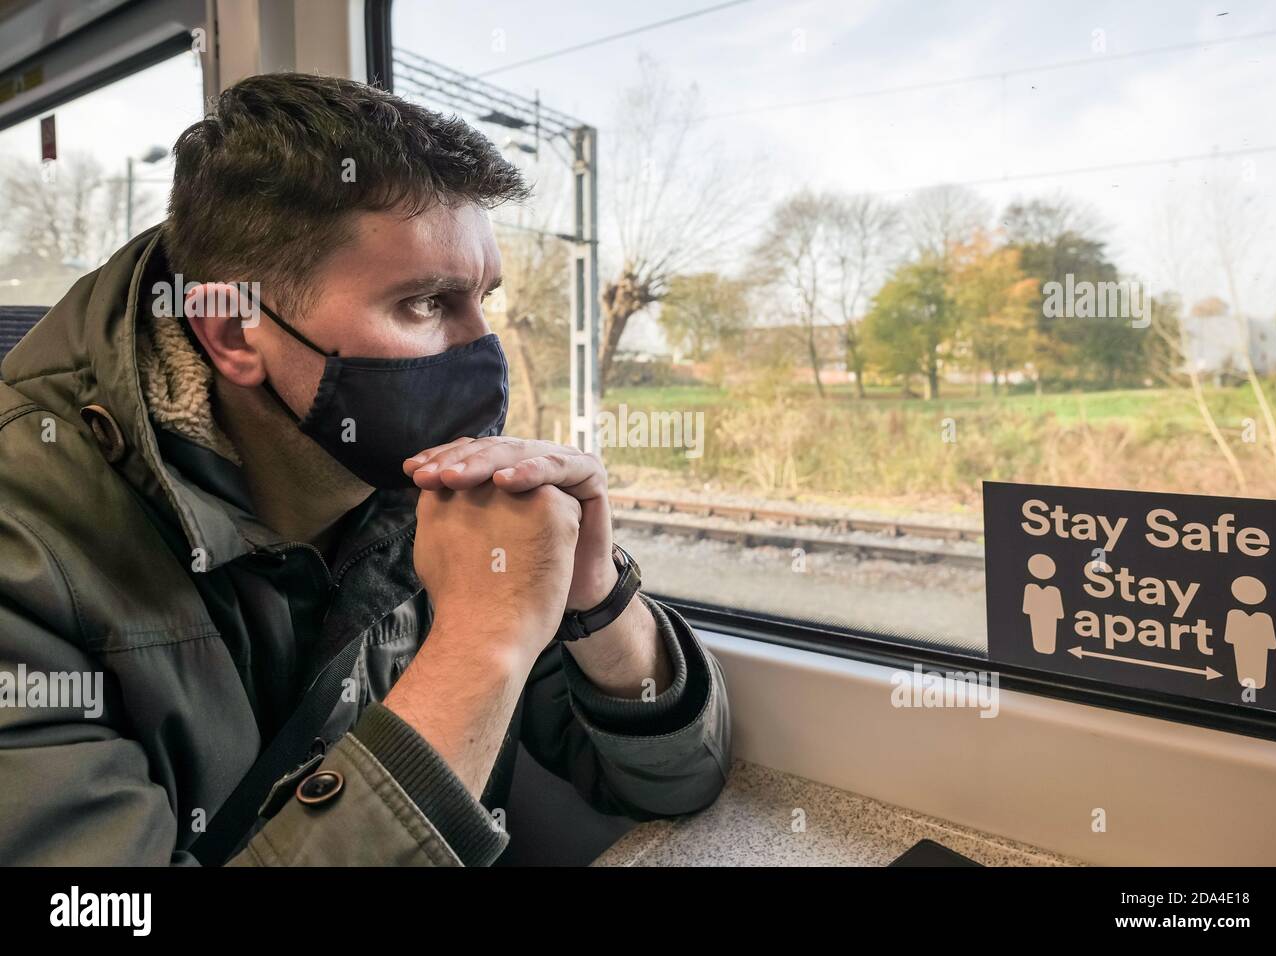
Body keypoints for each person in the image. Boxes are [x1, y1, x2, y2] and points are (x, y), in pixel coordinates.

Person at [0, 72, 731, 865]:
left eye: (485, 297)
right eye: (425, 304)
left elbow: (671, 782)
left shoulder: (435, 491)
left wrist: (593, 594)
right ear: (235, 332)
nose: (485, 350)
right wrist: (480, 646)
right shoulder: (29, 548)